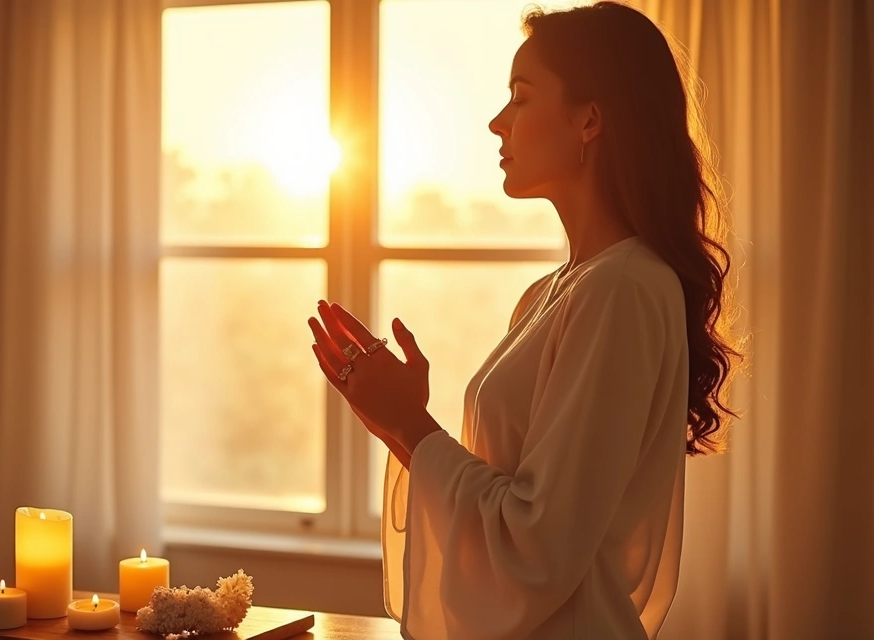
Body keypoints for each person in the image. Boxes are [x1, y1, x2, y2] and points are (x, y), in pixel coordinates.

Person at [307, 2, 741, 638]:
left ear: (590, 119)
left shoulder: (624, 289)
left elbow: (538, 545)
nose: (496, 122)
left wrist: (409, 421)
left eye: (520, 97)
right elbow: (512, 512)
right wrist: (391, 420)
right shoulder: (552, 292)